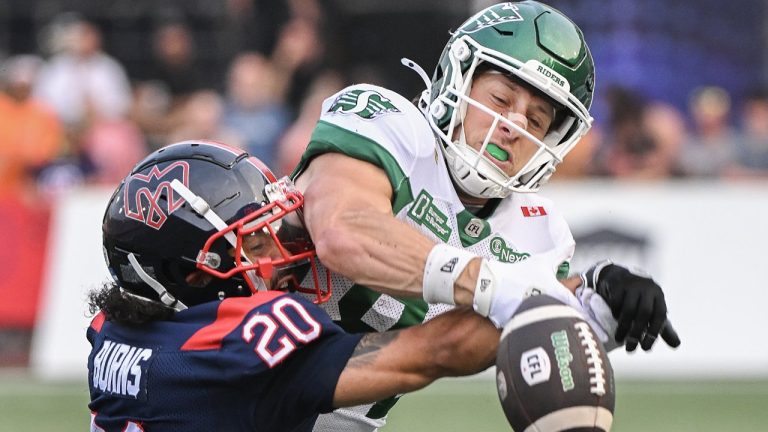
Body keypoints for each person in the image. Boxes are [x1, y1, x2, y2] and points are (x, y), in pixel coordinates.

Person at [287, 2, 680, 430]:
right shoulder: (391, 125)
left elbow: (446, 347)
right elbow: (343, 234)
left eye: (536, 119)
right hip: (242, 383)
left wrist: (587, 310)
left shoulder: (538, 233)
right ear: (457, 79)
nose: (513, 125)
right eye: (499, 99)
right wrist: (490, 283)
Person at [88, 140, 500, 431]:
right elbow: (436, 352)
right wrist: (539, 302)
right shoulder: (235, 349)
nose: (281, 252)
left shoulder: (110, 330)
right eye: (256, 241)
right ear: (192, 273)